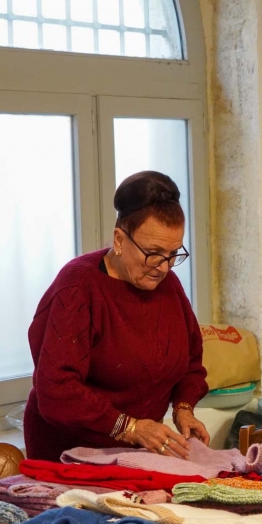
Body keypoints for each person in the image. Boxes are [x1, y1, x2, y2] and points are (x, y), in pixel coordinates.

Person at [24, 171, 210, 461]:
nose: (163, 267)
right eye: (153, 253)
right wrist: (130, 427)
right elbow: (57, 389)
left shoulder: (166, 284)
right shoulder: (77, 287)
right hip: (69, 452)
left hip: (137, 451)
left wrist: (183, 408)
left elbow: (190, 361)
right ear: (119, 239)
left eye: (174, 254)